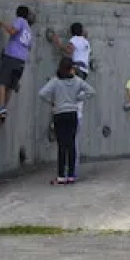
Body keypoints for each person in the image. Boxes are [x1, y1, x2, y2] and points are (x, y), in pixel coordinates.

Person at [37, 57, 95, 185]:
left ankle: (61, 175)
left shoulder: (55, 81)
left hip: (59, 113)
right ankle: (71, 175)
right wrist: (78, 98)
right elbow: (91, 91)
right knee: (71, 144)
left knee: (62, 145)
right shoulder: (77, 81)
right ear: (71, 68)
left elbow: (42, 93)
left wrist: (53, 101)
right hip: (72, 113)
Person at [45, 23, 92, 174]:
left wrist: (57, 42)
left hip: (77, 68)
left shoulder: (75, 40)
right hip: (84, 71)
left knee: (60, 83)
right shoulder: (86, 42)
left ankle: (60, 107)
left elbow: (68, 50)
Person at [0, 5, 34, 123]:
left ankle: (1, 108)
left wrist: (1, 23)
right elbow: (29, 46)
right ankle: (4, 108)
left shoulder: (20, 21)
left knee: (1, 82)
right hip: (21, 61)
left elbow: (12, 31)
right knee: (10, 85)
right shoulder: (29, 29)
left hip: (12, 57)